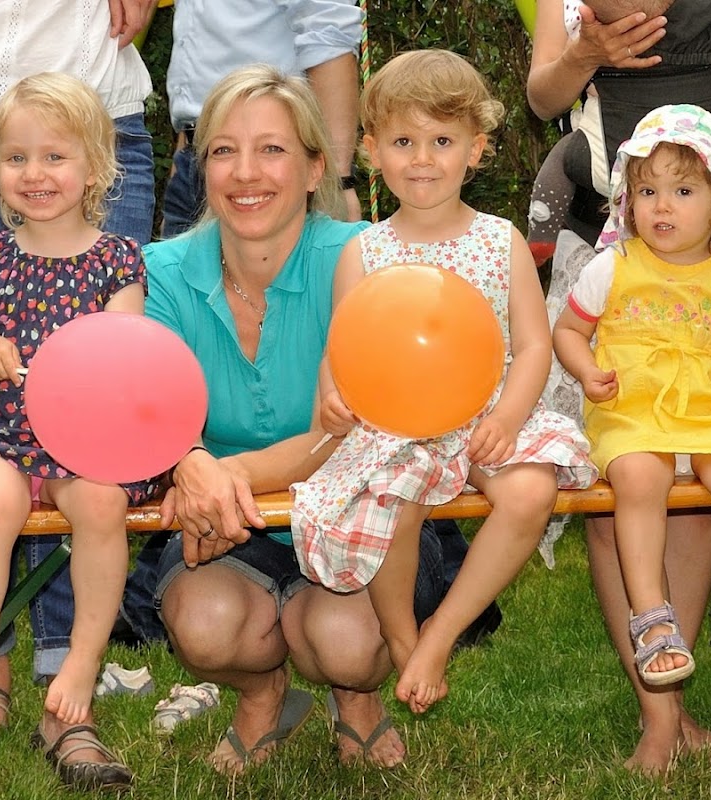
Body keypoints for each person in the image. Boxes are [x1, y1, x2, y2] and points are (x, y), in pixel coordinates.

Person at [142, 62, 470, 774]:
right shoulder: (162, 269)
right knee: (203, 626)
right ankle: (263, 694)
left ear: (317, 165)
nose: (245, 172)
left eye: (273, 149)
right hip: (229, 519)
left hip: (357, 503)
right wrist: (188, 461)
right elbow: (151, 403)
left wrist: (222, 473)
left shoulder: (363, 258)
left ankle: (357, 696)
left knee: (347, 643)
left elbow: (355, 428)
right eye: (224, 150)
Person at [289, 49, 596, 715]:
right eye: (403, 141)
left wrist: (509, 420)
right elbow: (341, 347)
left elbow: (535, 345)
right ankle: (402, 636)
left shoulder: (498, 240)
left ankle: (443, 632)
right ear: (371, 151)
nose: (422, 158)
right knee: (391, 498)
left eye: (442, 141)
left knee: (528, 490)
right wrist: (333, 395)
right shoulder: (364, 250)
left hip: (486, 412)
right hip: (396, 421)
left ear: (475, 150)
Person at [0, 0, 156, 788]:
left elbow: (129, 351)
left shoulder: (117, 258)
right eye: (16, 159)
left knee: (100, 502)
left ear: (95, 167)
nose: (35, 175)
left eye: (55, 158)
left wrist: (88, 358)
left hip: (81, 428)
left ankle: (80, 667)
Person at [528, 0, 711, 774]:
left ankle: (680, 712)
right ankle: (659, 717)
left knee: (702, 501)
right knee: (621, 502)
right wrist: (588, 49)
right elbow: (543, 94)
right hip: (613, 258)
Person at [554, 104, 711, 686]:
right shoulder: (613, 267)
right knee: (639, 478)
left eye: (683, 189)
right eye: (647, 190)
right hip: (630, 412)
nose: (661, 205)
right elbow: (568, 331)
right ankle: (653, 619)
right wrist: (586, 371)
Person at [160, 0, 363, 235]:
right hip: (194, 161)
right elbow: (195, 92)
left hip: (274, 167)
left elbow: (331, 37)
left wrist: (337, 181)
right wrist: (182, 175)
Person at [526, 0, 674, 268]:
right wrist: (582, 57)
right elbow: (541, 101)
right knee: (566, 156)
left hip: (695, 165)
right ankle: (541, 236)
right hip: (599, 143)